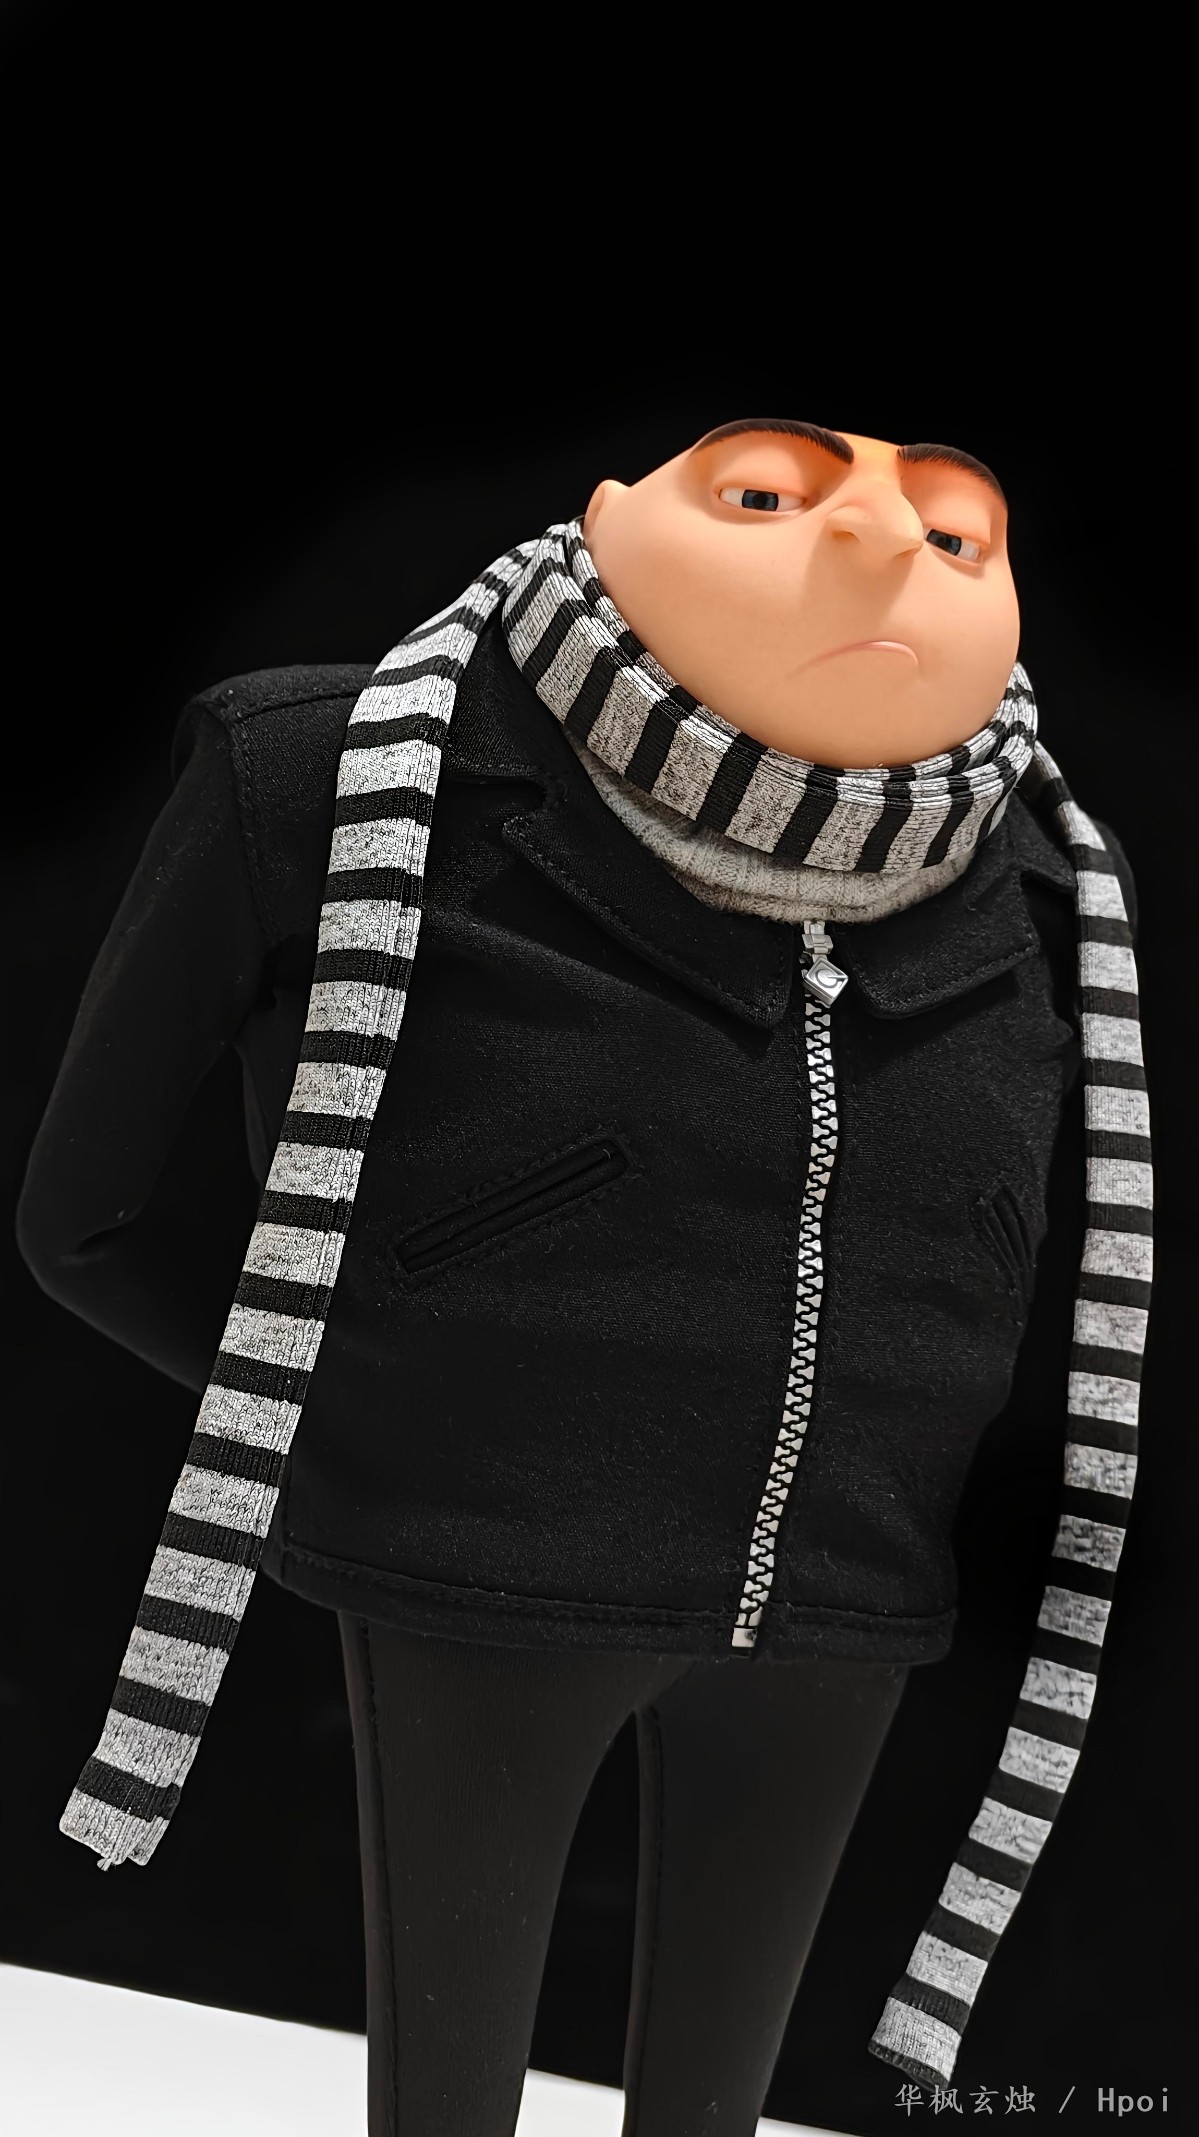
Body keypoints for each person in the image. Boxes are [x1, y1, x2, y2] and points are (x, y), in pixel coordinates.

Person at [16, 420, 1149, 2135]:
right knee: (450, 2094)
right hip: (479, 1578)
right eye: (764, 495)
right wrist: (362, 1419)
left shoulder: (1054, 892)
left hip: (845, 1606)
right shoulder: (336, 774)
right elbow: (86, 1218)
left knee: (721, 2099)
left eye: (955, 532)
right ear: (609, 521)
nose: (876, 542)